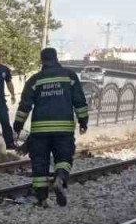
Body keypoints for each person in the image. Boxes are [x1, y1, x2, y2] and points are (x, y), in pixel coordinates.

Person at [13, 48, 89, 207]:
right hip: (63, 129)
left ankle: (42, 199)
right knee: (64, 157)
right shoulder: (70, 77)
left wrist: (17, 126)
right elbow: (79, 101)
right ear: (56, 58)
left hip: (40, 131)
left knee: (40, 162)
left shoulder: (35, 80)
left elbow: (25, 106)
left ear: (42, 61)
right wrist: (83, 121)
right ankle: (60, 179)